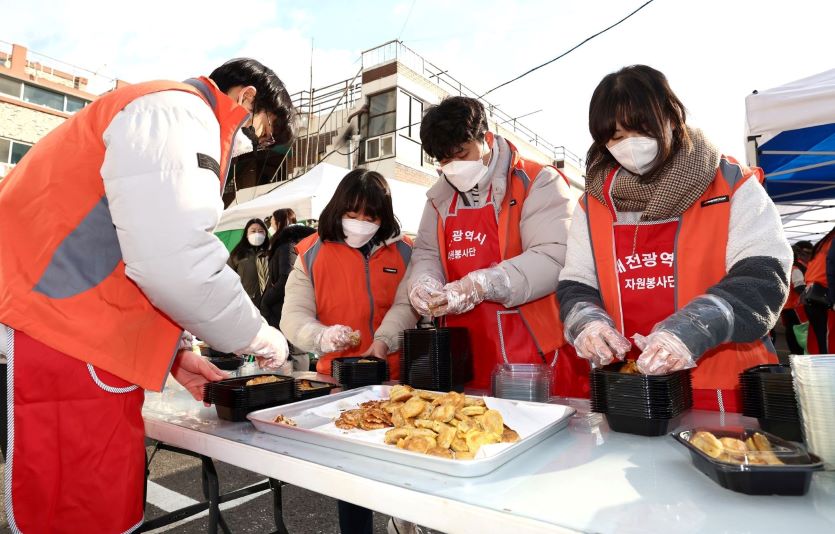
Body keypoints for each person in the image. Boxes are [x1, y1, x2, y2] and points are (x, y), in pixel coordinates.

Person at [0, 58, 296, 532]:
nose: (251, 150)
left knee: (94, 505)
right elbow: (175, 262)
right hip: (68, 338)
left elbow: (124, 250)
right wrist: (261, 337)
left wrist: (176, 353)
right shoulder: (178, 113)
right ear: (245, 100)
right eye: (261, 136)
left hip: (76, 334)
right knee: (80, 514)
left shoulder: (155, 109)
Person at [557, 64, 792, 412]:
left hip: (728, 389)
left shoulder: (732, 185)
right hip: (633, 391)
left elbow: (763, 277)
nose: (628, 145)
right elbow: (576, 283)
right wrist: (586, 322)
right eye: (616, 137)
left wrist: (693, 327)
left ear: (670, 115)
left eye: (639, 129)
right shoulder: (592, 205)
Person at [405, 96, 581, 396]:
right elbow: (426, 253)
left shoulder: (537, 181)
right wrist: (423, 282)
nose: (453, 167)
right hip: (463, 352)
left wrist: (483, 284)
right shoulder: (438, 199)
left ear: (485, 138)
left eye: (461, 153)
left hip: (531, 350)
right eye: (444, 161)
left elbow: (554, 255)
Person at [280, 168, 417, 534]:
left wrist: (383, 341)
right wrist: (323, 336)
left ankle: (404, 521)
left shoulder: (405, 250)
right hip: (339, 384)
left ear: (382, 217)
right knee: (351, 477)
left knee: (406, 460)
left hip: (396, 380)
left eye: (370, 216)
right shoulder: (310, 252)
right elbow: (293, 317)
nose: (360, 222)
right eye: (352, 213)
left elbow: (406, 306)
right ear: (337, 209)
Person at [260, 219, 317, 370]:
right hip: (287, 308)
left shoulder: (288, 247)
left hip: (282, 308)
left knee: (292, 352)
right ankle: (298, 386)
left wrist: (266, 299)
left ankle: (296, 387)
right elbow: (287, 277)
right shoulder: (295, 247)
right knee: (295, 351)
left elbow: (285, 278)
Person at [803, 228, 835, 353]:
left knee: (820, 338)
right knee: (828, 338)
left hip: (812, 292)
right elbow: (831, 268)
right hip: (825, 293)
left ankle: (823, 367)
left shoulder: (823, 243)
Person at [228, 218, 271, 307]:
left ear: (266, 234)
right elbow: (227, 278)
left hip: (269, 302)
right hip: (246, 302)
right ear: (246, 234)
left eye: (260, 231)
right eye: (253, 231)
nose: (257, 234)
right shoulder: (238, 254)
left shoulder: (271, 252)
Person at [780, 241, 812, 355]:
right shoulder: (796, 267)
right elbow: (800, 287)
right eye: (807, 253)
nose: (809, 256)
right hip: (795, 307)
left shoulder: (799, 266)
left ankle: (797, 355)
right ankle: (798, 356)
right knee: (798, 333)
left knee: (794, 332)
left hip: (791, 306)